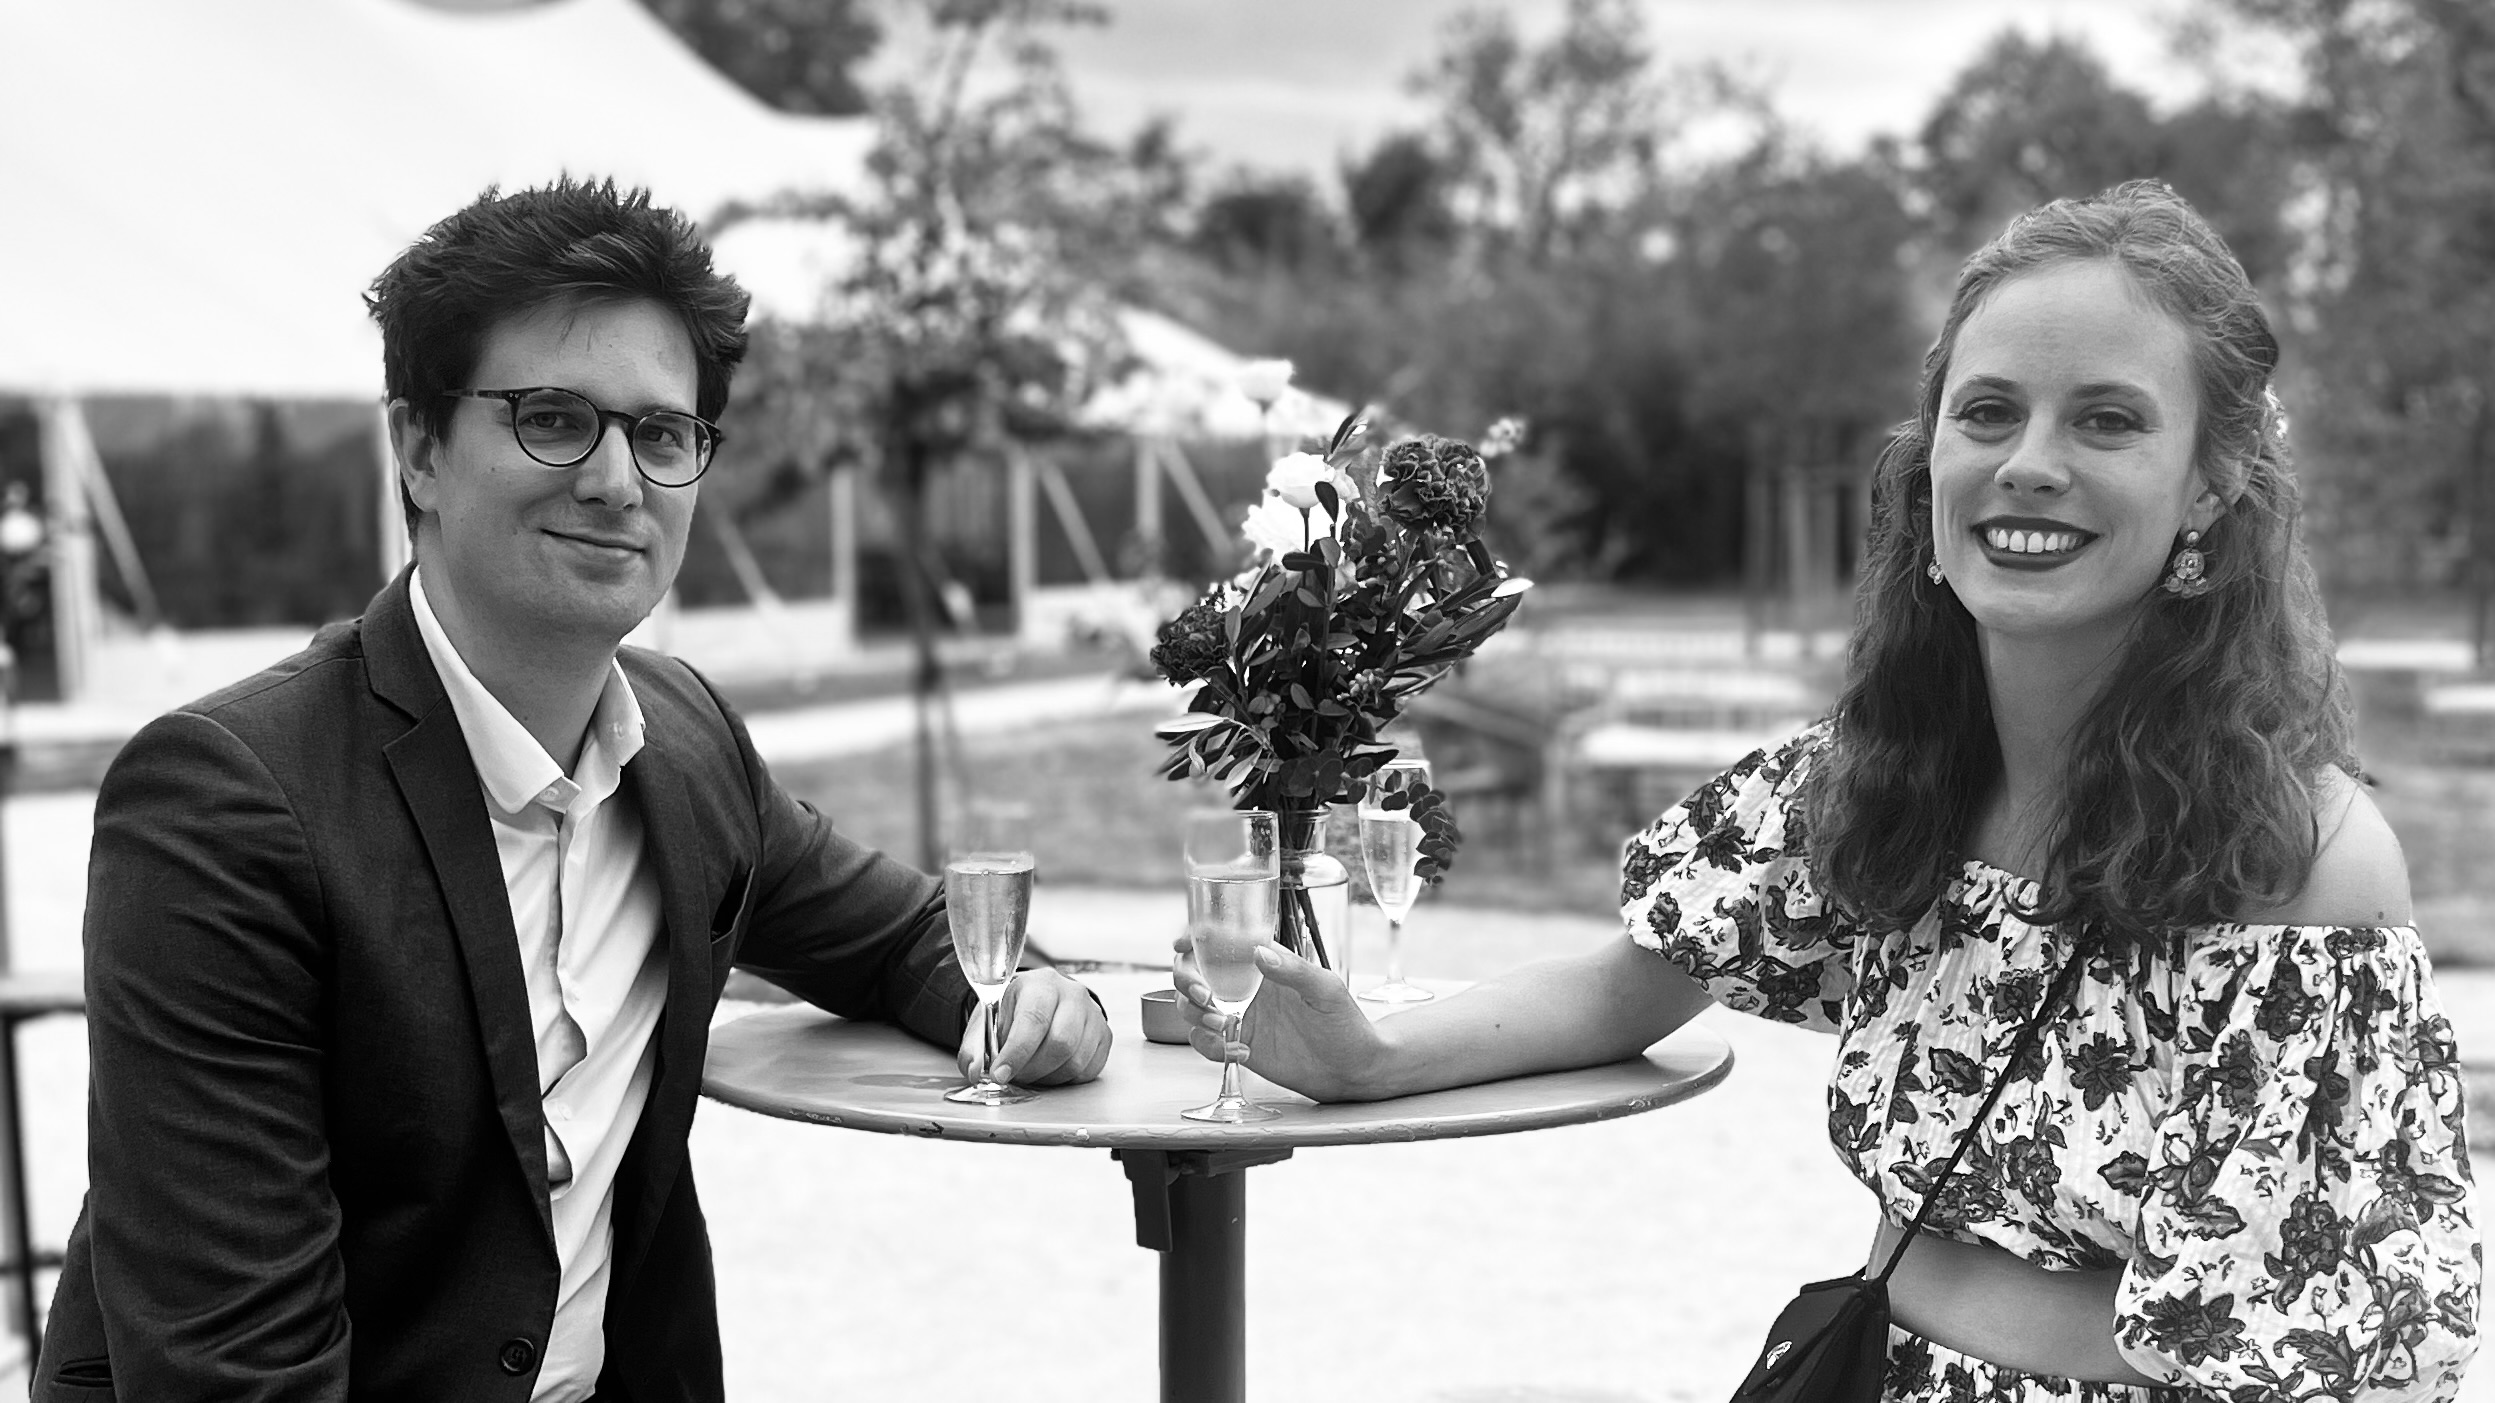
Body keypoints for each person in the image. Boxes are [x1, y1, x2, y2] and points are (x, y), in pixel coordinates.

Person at [1175, 180, 2478, 1400]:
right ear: (1929, 456)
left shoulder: (2299, 862)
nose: (2027, 461)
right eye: (1986, 412)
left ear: (2210, 479)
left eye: (2106, 419)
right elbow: (1626, 984)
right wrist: (1369, 1055)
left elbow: (2345, 1350)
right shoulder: (1885, 772)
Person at [37, 178, 1112, 1402]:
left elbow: (904, 937)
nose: (616, 480)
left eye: (662, 433)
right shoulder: (227, 803)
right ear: (419, 449)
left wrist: (1025, 995)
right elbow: (236, 1374)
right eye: (553, 418)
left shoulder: (686, 742)